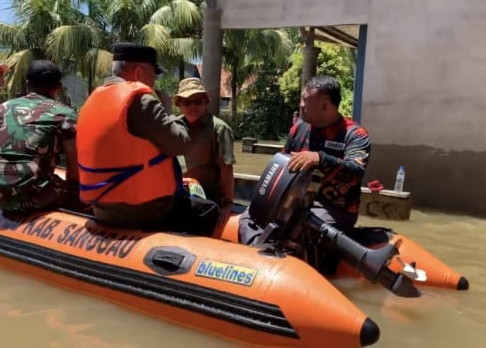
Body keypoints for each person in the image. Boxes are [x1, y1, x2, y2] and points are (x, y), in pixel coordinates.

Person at [76, 43, 220, 235]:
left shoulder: (92, 101)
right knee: (209, 209)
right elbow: (180, 143)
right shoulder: (141, 102)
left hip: (102, 208)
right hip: (145, 210)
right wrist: (167, 110)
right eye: (153, 74)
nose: (153, 82)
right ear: (138, 72)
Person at [239, 75, 372, 251]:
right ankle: (259, 258)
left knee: (300, 229)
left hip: (333, 209)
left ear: (324, 104)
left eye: (305, 100)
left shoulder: (355, 135)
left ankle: (286, 258)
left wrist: (320, 159)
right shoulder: (299, 129)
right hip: (294, 203)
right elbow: (282, 168)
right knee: (250, 217)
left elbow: (355, 172)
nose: (301, 105)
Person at [0, 60, 80, 213]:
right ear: (59, 88)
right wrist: (75, 193)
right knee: (79, 193)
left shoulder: (2, 108)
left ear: (27, 85)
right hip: (37, 196)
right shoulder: (65, 114)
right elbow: (74, 161)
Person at [175, 77, 236, 222]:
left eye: (197, 101)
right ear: (179, 104)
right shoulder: (172, 126)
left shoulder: (219, 129)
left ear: (206, 102)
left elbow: (226, 169)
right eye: (187, 102)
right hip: (178, 190)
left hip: (205, 193)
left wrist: (227, 203)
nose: (192, 106)